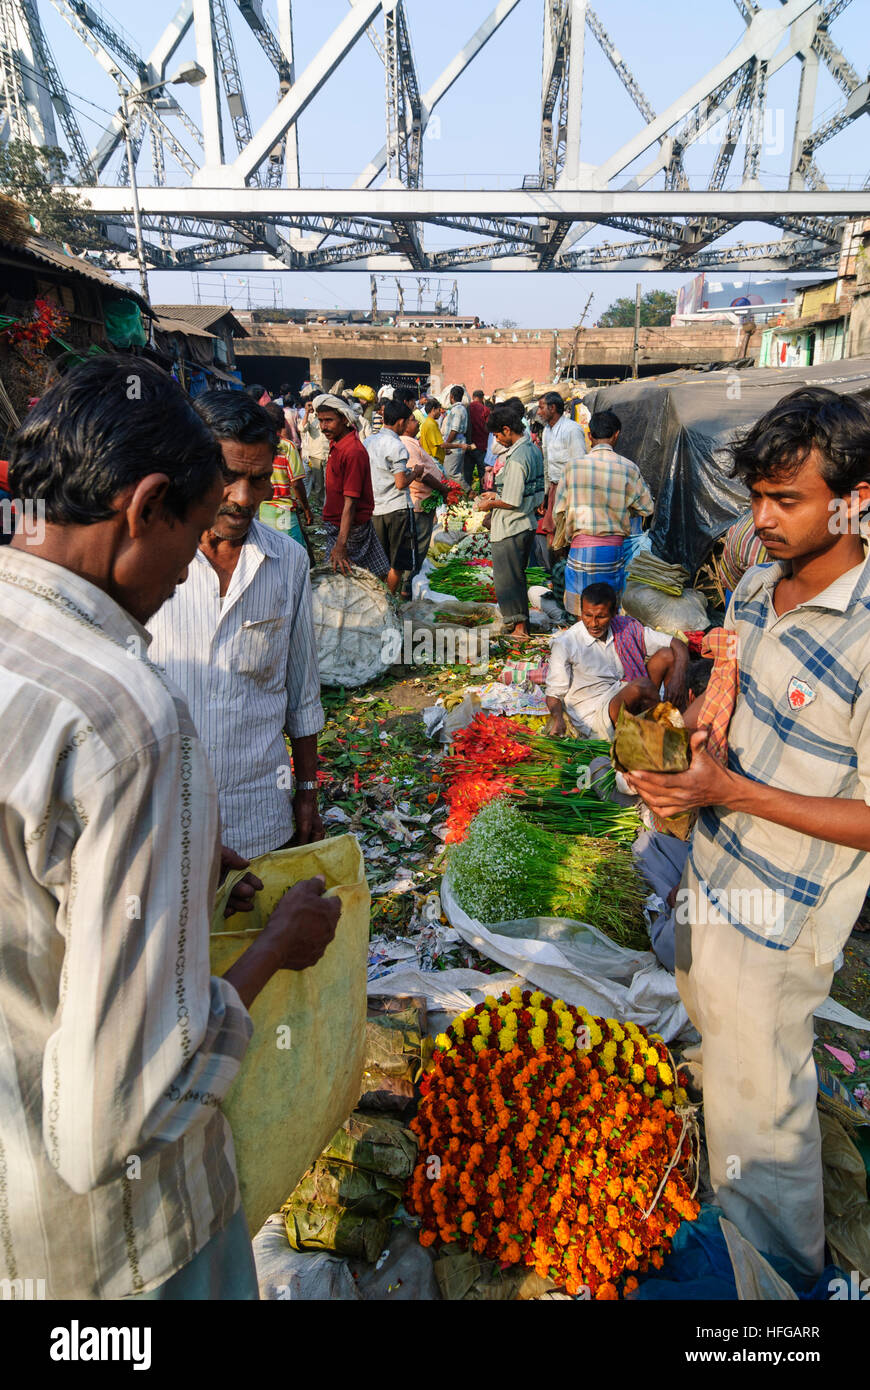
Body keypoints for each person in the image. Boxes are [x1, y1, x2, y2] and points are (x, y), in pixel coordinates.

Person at [0, 356, 339, 1300]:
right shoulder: (127, 719)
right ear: (147, 507)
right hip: (123, 1251)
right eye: (186, 537)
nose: (189, 566)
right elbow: (115, 1114)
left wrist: (176, 861)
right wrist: (273, 948)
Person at [627, 386, 870, 1278]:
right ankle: (734, 1243)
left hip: (786, 913)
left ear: (856, 499)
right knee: (724, 1062)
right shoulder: (763, 582)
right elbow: (726, 663)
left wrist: (735, 789)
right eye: (755, 497)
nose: (760, 520)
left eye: (785, 500)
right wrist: (673, 665)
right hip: (716, 866)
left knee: (766, 1102)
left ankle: (782, 1284)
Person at [147, 390, 325, 859]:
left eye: (259, 480)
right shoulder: (150, 558)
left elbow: (302, 692)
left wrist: (306, 790)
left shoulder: (287, 561)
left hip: (260, 813)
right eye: (229, 477)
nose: (244, 498)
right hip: (164, 818)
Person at [545, 581, 688, 739]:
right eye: (587, 615)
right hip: (596, 717)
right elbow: (554, 694)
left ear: (614, 613)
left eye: (601, 616)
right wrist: (558, 719)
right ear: (581, 612)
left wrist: (678, 679)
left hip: (624, 694)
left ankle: (681, 723)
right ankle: (661, 735)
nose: (593, 623)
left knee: (668, 655)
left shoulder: (624, 628)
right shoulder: (566, 642)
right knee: (642, 685)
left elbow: (677, 644)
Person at [554, 408, 654, 617]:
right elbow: (647, 508)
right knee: (607, 609)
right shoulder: (629, 468)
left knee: (583, 611)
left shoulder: (572, 467)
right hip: (613, 551)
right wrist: (623, 507)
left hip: (581, 549)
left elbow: (559, 510)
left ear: (590, 436)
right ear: (616, 435)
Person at [475, 402, 545, 638]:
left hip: (511, 526)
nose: (497, 440)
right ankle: (519, 623)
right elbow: (527, 491)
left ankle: (519, 628)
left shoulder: (516, 458)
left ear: (507, 429)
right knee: (517, 575)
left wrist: (490, 504)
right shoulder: (533, 449)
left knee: (509, 580)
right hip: (526, 522)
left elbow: (513, 500)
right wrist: (497, 494)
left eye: (497, 434)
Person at [318, 393, 389, 580]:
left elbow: (350, 502)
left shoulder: (352, 452)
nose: (323, 426)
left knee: (339, 580)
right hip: (342, 524)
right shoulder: (338, 443)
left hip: (349, 529)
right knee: (366, 576)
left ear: (344, 419)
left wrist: (341, 545)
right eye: (320, 421)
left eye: (328, 420)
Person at [366, 398, 424, 595]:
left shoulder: (368, 441)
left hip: (375, 508)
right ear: (400, 422)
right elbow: (400, 483)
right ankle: (389, 601)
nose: (410, 425)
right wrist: (415, 472)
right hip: (396, 509)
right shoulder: (397, 445)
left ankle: (378, 599)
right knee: (397, 562)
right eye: (409, 421)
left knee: (379, 561)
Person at [400, 409, 450, 572]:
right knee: (418, 546)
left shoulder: (411, 441)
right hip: (419, 501)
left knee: (420, 544)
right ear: (404, 424)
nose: (417, 423)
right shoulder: (407, 443)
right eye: (414, 420)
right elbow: (420, 474)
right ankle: (409, 585)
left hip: (423, 500)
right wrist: (443, 489)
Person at [259, 401, 311, 549]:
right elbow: (296, 483)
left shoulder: (258, 445)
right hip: (284, 511)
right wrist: (306, 509)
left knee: (271, 551)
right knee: (292, 551)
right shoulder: (287, 446)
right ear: (282, 422)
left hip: (264, 510)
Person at [300, 388, 330, 511]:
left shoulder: (328, 415)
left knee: (328, 484)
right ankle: (320, 506)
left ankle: (327, 507)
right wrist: (307, 412)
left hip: (328, 453)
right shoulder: (311, 417)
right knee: (318, 485)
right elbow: (302, 429)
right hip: (316, 455)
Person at [442, 385, 470, 490]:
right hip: (456, 444)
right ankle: (458, 496)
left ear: (451, 396)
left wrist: (447, 445)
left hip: (454, 445)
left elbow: (454, 430)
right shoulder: (460, 408)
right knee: (455, 472)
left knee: (451, 473)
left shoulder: (458, 409)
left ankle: (469, 491)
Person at [466, 388, 490, 491]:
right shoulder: (485, 410)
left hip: (468, 445)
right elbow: (488, 427)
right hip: (482, 446)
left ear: (473, 397)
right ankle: (483, 496)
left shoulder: (467, 408)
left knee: (467, 473)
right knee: (482, 474)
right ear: (482, 398)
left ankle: (467, 496)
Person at [420, 397, 446, 466]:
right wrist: (460, 445)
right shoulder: (431, 424)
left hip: (429, 458)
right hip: (434, 460)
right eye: (439, 410)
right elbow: (441, 444)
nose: (440, 412)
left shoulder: (427, 422)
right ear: (433, 410)